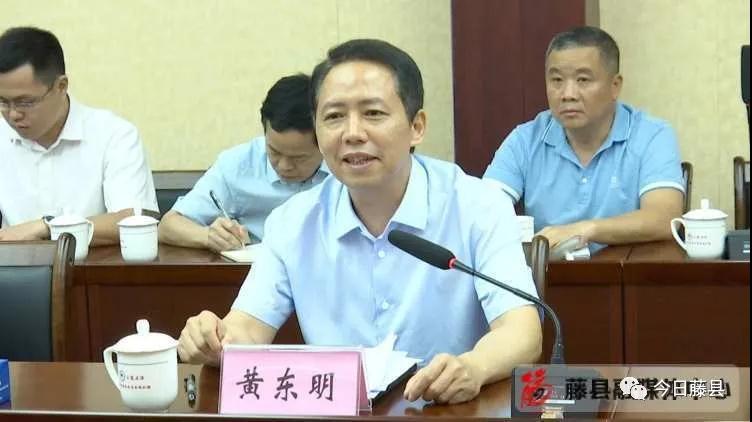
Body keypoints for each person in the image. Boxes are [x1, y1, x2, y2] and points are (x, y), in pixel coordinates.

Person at [178, 39, 542, 405]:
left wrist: (474, 367)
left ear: (417, 126)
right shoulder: (292, 222)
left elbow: (522, 331)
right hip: (334, 411)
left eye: (373, 113)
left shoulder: (478, 206)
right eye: (334, 117)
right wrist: (214, 339)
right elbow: (247, 328)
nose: (352, 133)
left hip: (445, 411)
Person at [483, 26, 684, 250]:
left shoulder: (651, 136)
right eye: (557, 80)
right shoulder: (525, 140)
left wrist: (585, 230)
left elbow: (664, 219)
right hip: (549, 271)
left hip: (628, 270)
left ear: (615, 86)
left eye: (583, 80)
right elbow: (481, 210)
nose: (568, 94)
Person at [0, 27, 158, 244]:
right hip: (12, 263)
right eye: (3, 102)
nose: (13, 114)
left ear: (61, 86)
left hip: (93, 264)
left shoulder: (114, 135)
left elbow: (133, 221)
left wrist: (47, 227)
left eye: (25, 102)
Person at [158, 74, 328, 252]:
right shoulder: (239, 165)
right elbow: (168, 226)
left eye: (298, 158)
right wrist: (208, 236)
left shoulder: (342, 169)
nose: (284, 166)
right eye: (275, 152)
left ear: (325, 142)